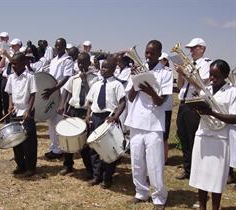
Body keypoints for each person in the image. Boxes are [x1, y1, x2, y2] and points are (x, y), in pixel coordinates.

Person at [124, 40, 172, 209]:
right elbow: (129, 97)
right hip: (136, 120)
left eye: (152, 53)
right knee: (136, 161)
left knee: (154, 163)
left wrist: (150, 91)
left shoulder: (166, 73)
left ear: (159, 54)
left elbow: (161, 101)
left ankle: (159, 198)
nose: (148, 56)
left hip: (154, 123)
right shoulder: (138, 69)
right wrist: (136, 83)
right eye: (147, 52)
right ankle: (141, 192)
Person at [188, 59, 236, 210]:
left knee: (216, 177)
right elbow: (200, 114)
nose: (212, 79)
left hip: (220, 139)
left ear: (225, 76)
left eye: (216, 76)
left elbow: (234, 117)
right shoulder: (205, 89)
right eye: (211, 75)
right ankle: (202, 206)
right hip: (203, 135)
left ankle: (215, 207)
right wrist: (195, 104)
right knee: (201, 174)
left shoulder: (232, 92)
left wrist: (212, 112)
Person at [84, 56, 126, 188]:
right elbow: (90, 102)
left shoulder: (117, 84)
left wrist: (115, 116)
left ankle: (107, 177)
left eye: (106, 67)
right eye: (102, 67)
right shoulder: (96, 84)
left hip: (108, 118)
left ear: (113, 69)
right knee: (95, 148)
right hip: (96, 117)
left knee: (108, 148)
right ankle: (97, 176)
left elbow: (122, 102)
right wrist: (87, 115)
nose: (102, 70)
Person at [57, 52, 98, 178]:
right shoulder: (74, 78)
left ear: (89, 63)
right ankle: (68, 165)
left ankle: (90, 170)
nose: (80, 65)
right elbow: (66, 91)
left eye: (83, 62)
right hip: (73, 110)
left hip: (85, 111)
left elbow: (91, 95)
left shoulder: (94, 79)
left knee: (84, 143)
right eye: (79, 62)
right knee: (67, 138)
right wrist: (62, 104)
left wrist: (85, 80)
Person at [175, 38, 212, 180]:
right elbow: (179, 86)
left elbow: (200, 84)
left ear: (202, 48)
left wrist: (185, 73)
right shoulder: (189, 64)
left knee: (193, 138)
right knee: (183, 136)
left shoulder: (206, 64)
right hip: (183, 103)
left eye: (193, 48)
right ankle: (188, 169)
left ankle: (197, 170)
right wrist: (180, 72)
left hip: (194, 103)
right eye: (190, 48)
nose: (190, 51)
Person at [4, 52, 38, 177]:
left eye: (15, 63)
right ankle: (20, 165)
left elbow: (33, 94)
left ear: (24, 64)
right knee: (16, 140)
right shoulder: (11, 77)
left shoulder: (30, 77)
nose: (13, 66)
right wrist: (10, 105)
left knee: (29, 142)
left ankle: (30, 167)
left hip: (26, 112)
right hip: (15, 112)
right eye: (12, 63)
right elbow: (10, 93)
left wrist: (28, 110)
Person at [42, 38, 74, 160]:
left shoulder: (67, 60)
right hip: (52, 93)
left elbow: (66, 78)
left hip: (60, 93)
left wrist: (54, 89)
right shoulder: (54, 60)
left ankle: (60, 149)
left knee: (59, 122)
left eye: (59, 45)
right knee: (51, 121)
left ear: (64, 47)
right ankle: (53, 147)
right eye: (56, 45)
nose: (57, 47)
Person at [159, 52, 173, 163]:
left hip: (166, 107)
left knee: (164, 136)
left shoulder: (168, 72)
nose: (160, 62)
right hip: (157, 107)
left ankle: (164, 158)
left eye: (162, 60)